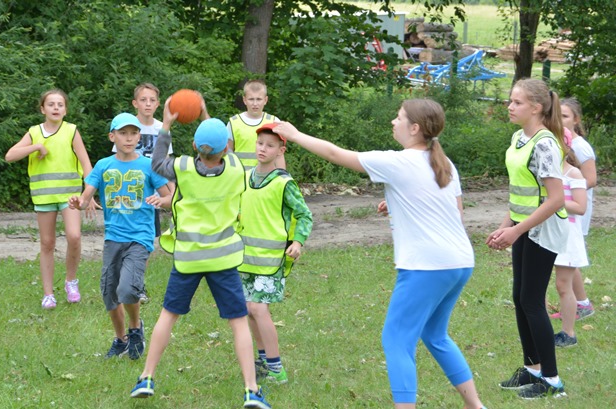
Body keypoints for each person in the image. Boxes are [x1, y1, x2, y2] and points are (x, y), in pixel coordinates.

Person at [274, 99, 486, 409]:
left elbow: (334, 154)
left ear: (414, 128)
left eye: (399, 117)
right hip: (460, 261)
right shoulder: (444, 163)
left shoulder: (398, 162)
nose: (393, 122)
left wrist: (294, 135)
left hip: (426, 266)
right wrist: (402, 203)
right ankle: (475, 405)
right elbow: (455, 211)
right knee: (434, 334)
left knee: (396, 340)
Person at [129, 96, 271, 409]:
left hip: (189, 258)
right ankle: (251, 390)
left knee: (168, 316)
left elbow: (157, 163)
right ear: (226, 149)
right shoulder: (235, 167)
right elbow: (223, 147)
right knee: (238, 322)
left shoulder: (182, 168)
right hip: (223, 257)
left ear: (194, 145)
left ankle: (146, 377)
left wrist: (166, 126)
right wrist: (206, 114)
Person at [486, 78, 568, 399]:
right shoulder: (519, 137)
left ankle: (552, 380)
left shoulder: (545, 144)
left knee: (532, 301)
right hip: (522, 225)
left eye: (517, 102)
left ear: (536, 107)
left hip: (543, 229)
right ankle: (532, 368)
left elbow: (556, 199)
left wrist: (517, 230)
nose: (509, 106)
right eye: (510, 100)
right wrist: (505, 225)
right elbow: (522, 191)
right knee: (520, 298)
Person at [69, 113, 170, 360]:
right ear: (112, 137)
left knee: (127, 288)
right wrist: (79, 202)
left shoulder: (148, 165)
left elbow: (170, 196)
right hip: (113, 238)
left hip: (140, 237)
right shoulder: (103, 165)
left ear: (139, 137)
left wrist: (162, 200)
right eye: (123, 133)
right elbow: (86, 198)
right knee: (109, 293)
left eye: (133, 133)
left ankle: (135, 329)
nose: (129, 138)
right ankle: (121, 339)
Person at [5, 89, 95, 310]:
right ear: (42, 109)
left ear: (65, 110)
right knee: (47, 243)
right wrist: (36, 146)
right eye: (51, 104)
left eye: (60, 104)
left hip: (70, 196)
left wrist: (89, 193)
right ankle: (48, 295)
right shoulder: (34, 132)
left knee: (74, 236)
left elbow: (86, 164)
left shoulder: (71, 131)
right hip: (44, 196)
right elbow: (10, 156)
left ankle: (71, 281)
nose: (56, 108)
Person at [238, 123, 313, 385]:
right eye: (260, 143)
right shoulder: (244, 177)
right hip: (244, 258)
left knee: (258, 309)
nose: (263, 149)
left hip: (271, 260)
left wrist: (298, 242)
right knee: (249, 310)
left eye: (270, 146)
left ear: (280, 151)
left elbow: (304, 214)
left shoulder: (284, 183)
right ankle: (264, 361)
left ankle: (277, 369)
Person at [113, 83, 175, 304]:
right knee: (122, 240)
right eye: (143, 100)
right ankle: (122, 281)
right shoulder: (125, 126)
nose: (147, 104)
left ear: (158, 104)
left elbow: (166, 164)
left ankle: (136, 284)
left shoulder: (162, 128)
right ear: (135, 103)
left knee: (145, 241)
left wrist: (172, 192)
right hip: (128, 193)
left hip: (152, 194)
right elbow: (117, 161)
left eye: (152, 100)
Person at [550, 98, 596, 320]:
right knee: (565, 258)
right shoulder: (555, 143)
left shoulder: (580, 146)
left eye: (565, 116)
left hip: (575, 209)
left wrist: (560, 196)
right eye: (557, 115)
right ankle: (579, 302)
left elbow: (591, 179)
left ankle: (582, 303)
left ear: (576, 120)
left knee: (570, 257)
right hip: (563, 209)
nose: (560, 119)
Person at [552, 133, 588, 348]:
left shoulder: (573, 173)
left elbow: (580, 207)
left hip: (567, 237)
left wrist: (554, 201)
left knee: (563, 285)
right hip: (548, 234)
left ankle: (568, 333)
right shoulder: (546, 173)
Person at [227, 79, 286, 171]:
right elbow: (228, 154)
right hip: (240, 176)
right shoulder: (233, 123)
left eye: (259, 99)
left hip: (266, 176)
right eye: (251, 99)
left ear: (265, 100)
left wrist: (283, 176)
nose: (255, 104)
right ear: (244, 100)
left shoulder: (274, 122)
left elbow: (279, 155)